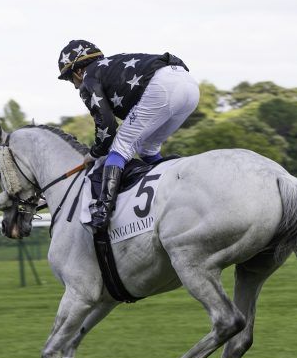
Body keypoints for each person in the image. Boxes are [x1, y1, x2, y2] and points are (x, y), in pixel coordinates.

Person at [57, 40, 200, 231]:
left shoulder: (88, 78)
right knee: (147, 148)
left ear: (78, 72)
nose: (75, 87)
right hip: (189, 84)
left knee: (120, 146)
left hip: (163, 86)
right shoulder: (109, 67)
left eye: (70, 80)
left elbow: (107, 128)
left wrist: (94, 153)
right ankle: (177, 186)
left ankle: (102, 211)